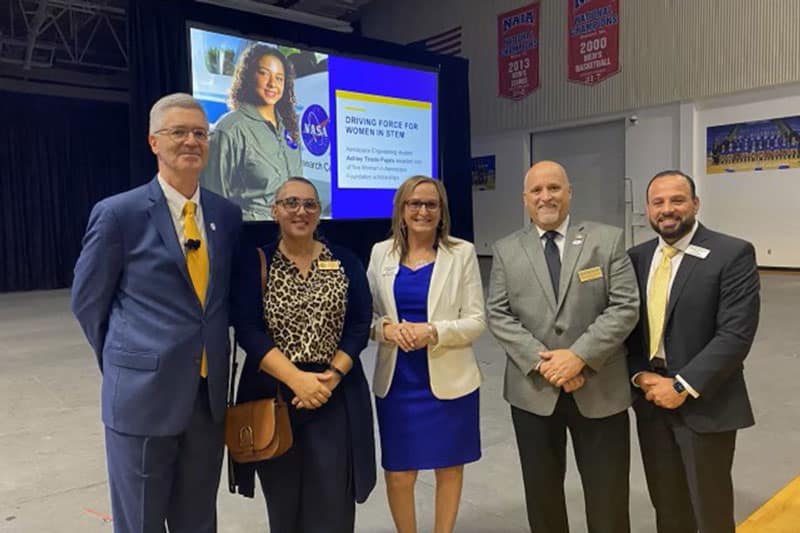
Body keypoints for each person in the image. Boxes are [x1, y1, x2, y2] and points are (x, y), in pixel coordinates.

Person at [70, 93, 242, 532]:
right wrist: (124, 361)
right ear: (153, 142)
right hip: (142, 399)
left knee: (198, 521)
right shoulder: (119, 214)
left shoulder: (226, 214)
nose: (191, 141)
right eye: (179, 132)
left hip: (207, 400)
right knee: (140, 523)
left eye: (200, 133)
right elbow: (88, 301)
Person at [486, 160, 639, 533]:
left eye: (554, 188)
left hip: (599, 387)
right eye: (536, 191)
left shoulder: (608, 240)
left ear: (569, 193)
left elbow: (625, 306)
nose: (545, 197)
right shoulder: (506, 250)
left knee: (608, 492)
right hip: (534, 391)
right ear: (525, 199)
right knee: (542, 494)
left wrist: (578, 357)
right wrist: (547, 365)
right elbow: (499, 314)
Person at [230, 177, 376, 532]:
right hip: (275, 395)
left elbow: (359, 323)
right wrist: (297, 380)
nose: (301, 211)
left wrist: (333, 375)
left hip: (334, 394)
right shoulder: (256, 263)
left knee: (334, 503)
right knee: (284, 505)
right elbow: (248, 329)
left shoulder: (344, 261)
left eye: (310, 204)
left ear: (319, 213)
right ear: (274, 210)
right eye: (291, 203)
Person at [626, 170, 760, 533]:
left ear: (695, 204)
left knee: (710, 509)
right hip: (651, 399)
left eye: (677, 200)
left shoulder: (731, 253)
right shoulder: (635, 258)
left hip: (706, 402)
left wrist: (682, 386)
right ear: (648, 209)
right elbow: (627, 329)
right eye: (658, 202)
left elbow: (735, 334)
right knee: (667, 506)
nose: (668, 209)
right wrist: (640, 375)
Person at [367, 176, 485, 533]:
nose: (422, 211)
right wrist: (386, 329)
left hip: (451, 382)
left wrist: (432, 332)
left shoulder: (461, 253)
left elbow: (476, 321)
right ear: (401, 211)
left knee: (449, 467)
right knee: (400, 473)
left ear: (441, 211)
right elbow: (367, 318)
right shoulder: (380, 253)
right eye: (414, 204)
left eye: (431, 204)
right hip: (399, 383)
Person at [202, 43, 303, 221]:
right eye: (264, 73)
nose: (272, 83)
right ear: (249, 76)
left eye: (279, 78)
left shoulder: (288, 128)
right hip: (250, 237)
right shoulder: (229, 129)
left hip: (290, 236)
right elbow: (213, 203)